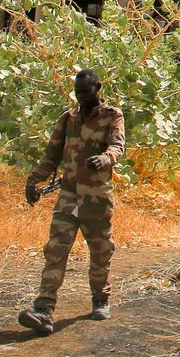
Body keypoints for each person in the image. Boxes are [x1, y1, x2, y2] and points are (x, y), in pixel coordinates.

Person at [17, 68, 126, 336]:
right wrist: (34, 181)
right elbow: (51, 155)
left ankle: (100, 298)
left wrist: (105, 159)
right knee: (56, 250)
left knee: (101, 252)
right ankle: (44, 310)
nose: (81, 98)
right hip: (68, 196)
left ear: (97, 88)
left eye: (85, 92)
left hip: (97, 198)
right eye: (77, 93)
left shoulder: (112, 116)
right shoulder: (68, 119)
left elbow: (118, 146)